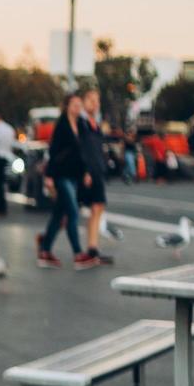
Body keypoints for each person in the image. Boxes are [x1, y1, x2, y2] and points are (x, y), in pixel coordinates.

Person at [36, 93, 97, 269]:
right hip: (61, 175)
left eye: (80, 104)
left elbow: (82, 152)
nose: (78, 107)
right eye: (74, 104)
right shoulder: (62, 125)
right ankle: (78, 254)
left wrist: (86, 172)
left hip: (74, 175)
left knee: (58, 215)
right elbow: (53, 151)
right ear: (67, 106)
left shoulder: (80, 124)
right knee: (73, 213)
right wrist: (48, 176)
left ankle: (45, 250)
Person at [78, 88, 113, 264]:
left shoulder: (94, 124)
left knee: (97, 207)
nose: (95, 104)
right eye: (91, 100)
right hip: (86, 173)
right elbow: (80, 149)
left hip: (97, 171)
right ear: (83, 102)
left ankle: (93, 249)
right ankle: (45, 242)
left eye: (97, 101)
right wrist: (84, 170)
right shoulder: (80, 123)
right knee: (66, 213)